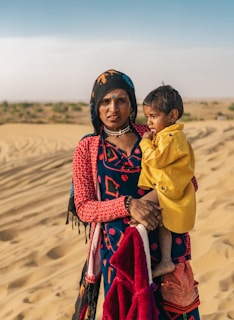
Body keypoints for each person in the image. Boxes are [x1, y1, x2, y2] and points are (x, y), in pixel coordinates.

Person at [71, 69, 200, 319]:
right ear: (95, 107)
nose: (113, 108)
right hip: (121, 256)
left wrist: (153, 201)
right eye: (105, 101)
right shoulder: (87, 147)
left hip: (165, 253)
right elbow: (84, 208)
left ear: (131, 104)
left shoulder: (153, 134)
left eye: (121, 100)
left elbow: (188, 181)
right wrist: (129, 205)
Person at [138, 85, 196, 279]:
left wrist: (145, 142)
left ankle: (137, 259)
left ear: (172, 115)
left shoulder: (172, 137)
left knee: (138, 212)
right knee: (164, 226)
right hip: (165, 185)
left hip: (165, 187)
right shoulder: (166, 135)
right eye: (147, 117)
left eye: (153, 116)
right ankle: (166, 261)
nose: (149, 122)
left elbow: (155, 159)